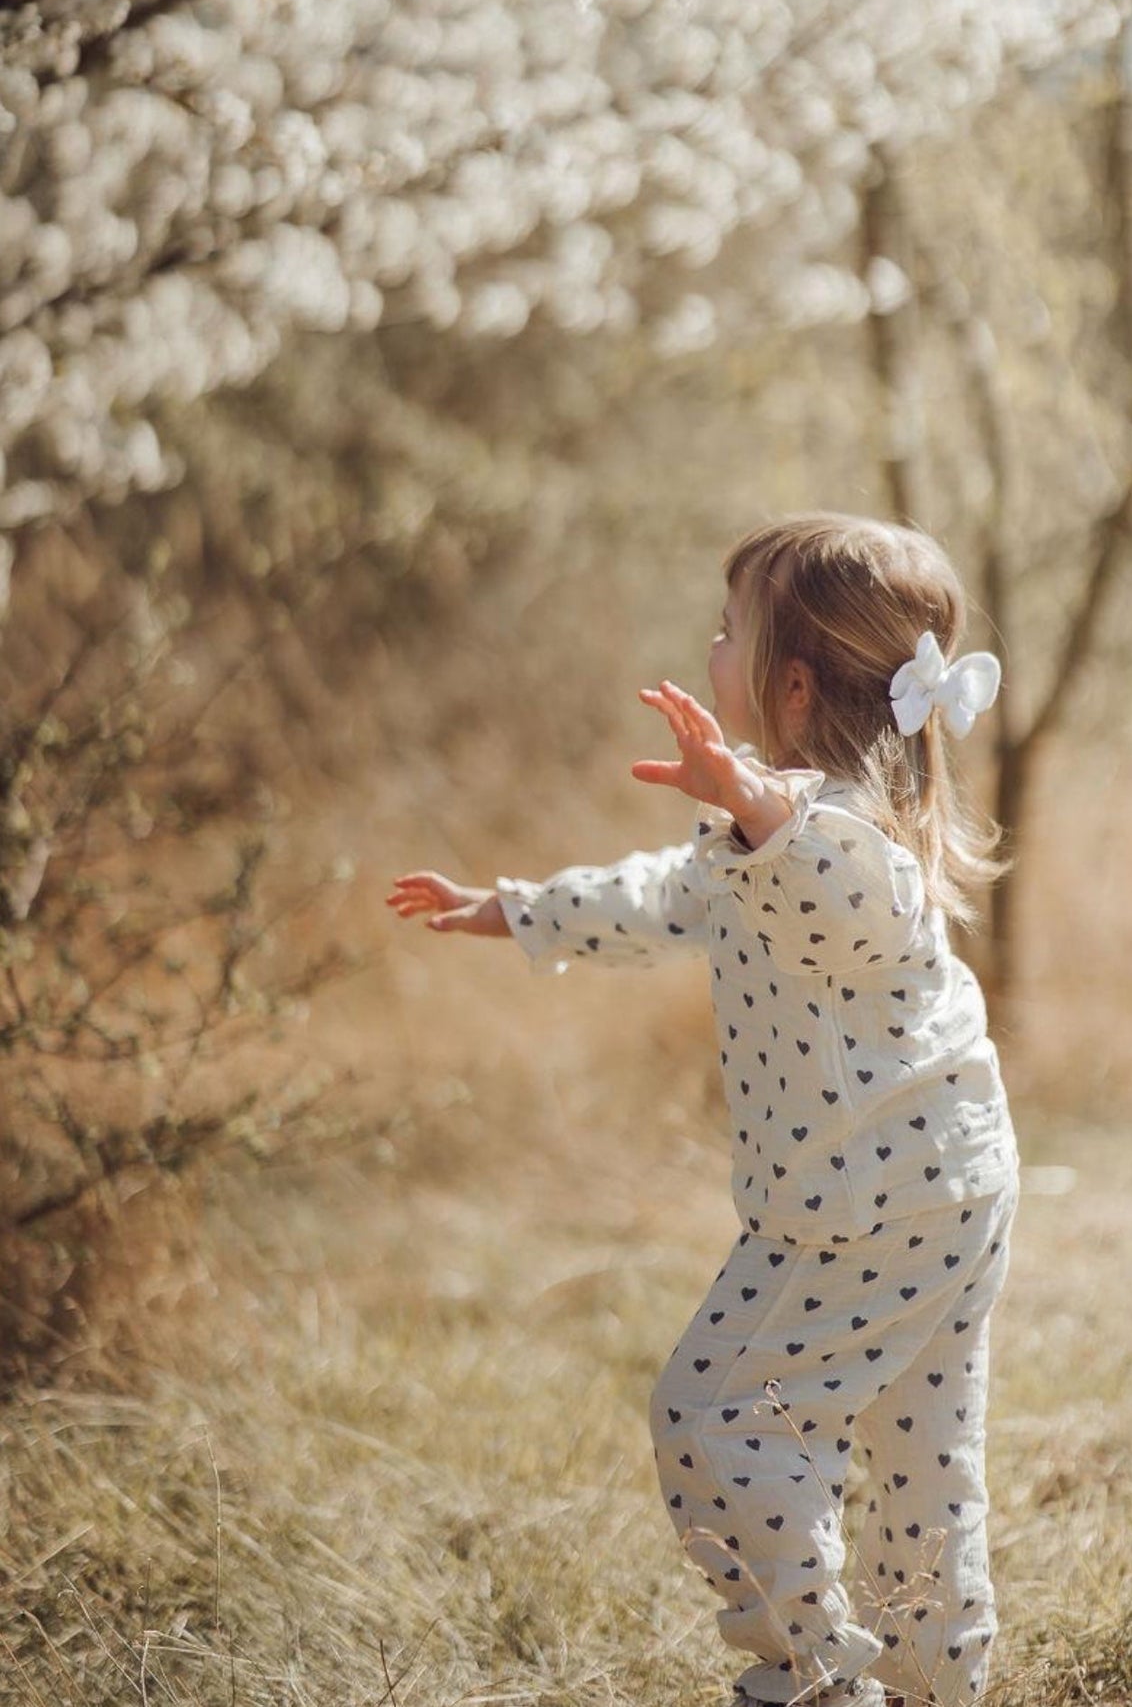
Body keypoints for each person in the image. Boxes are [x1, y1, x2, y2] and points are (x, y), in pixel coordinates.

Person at [386, 514, 1020, 1707]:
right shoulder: (768, 828)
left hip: (857, 1210)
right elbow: (658, 902)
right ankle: (937, 1680)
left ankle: (815, 1679)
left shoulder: (839, 837)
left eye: (728, 630)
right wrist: (513, 910)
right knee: (918, 1459)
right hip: (950, 1187)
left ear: (786, 687)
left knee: (712, 1416)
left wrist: (752, 806)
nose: (708, 644)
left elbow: (848, 894)